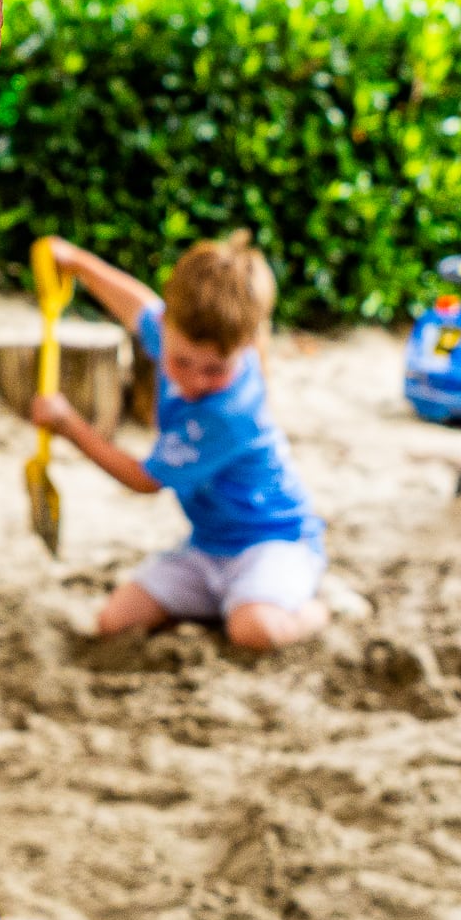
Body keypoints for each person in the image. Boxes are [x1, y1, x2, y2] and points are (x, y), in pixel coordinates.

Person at [28, 233, 328, 651]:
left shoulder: (229, 412)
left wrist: (69, 425)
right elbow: (136, 307)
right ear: (168, 329)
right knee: (116, 622)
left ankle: (315, 609)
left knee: (254, 630)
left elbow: (144, 480)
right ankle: (226, 603)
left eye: (214, 369)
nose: (193, 380)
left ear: (245, 347)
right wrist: (78, 262)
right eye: (182, 362)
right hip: (207, 546)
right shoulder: (177, 331)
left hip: (272, 542)